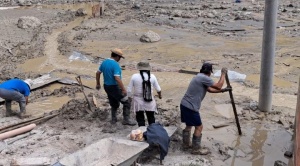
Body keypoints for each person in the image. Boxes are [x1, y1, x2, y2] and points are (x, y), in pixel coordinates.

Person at [180, 62, 230, 154]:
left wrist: (223, 90)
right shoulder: (204, 78)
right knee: (199, 127)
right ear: (210, 72)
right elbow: (219, 85)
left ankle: (185, 145)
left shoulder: (198, 77)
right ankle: (196, 149)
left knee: (189, 125)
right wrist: (223, 74)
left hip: (184, 104)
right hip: (191, 107)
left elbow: (210, 89)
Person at [96, 48, 136, 125]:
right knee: (126, 102)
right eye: (120, 58)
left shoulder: (104, 62)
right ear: (117, 57)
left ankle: (113, 119)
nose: (120, 59)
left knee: (113, 102)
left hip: (106, 86)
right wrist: (123, 89)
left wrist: (98, 83)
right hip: (115, 87)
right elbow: (117, 78)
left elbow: (98, 73)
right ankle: (126, 119)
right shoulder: (115, 65)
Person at [127, 61, 162, 127]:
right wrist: (160, 96)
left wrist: (129, 98)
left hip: (138, 101)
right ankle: (152, 131)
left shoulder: (134, 76)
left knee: (140, 119)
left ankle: (141, 132)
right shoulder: (153, 76)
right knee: (151, 118)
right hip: (150, 100)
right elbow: (158, 89)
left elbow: (129, 90)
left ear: (139, 68)